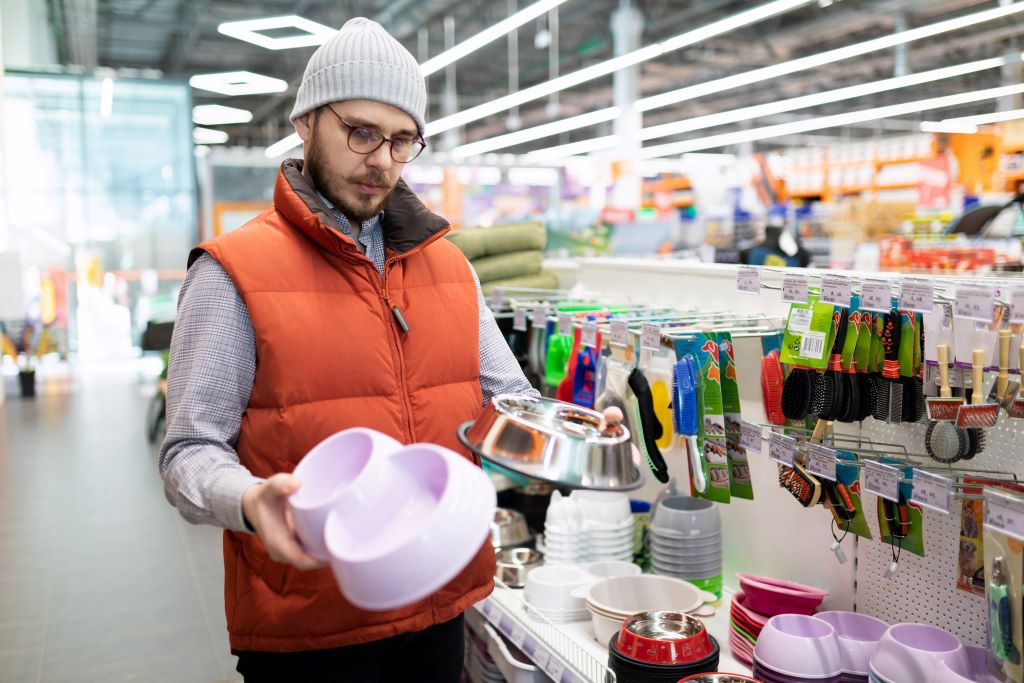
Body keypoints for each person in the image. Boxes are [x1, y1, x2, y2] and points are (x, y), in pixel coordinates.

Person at [158, 17, 544, 682]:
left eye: (402, 141)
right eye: (360, 132)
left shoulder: (451, 266)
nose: (382, 161)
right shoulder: (232, 272)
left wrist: (575, 431)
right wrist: (251, 500)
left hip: (440, 605)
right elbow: (188, 451)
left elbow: (513, 405)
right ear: (306, 122)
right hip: (311, 630)